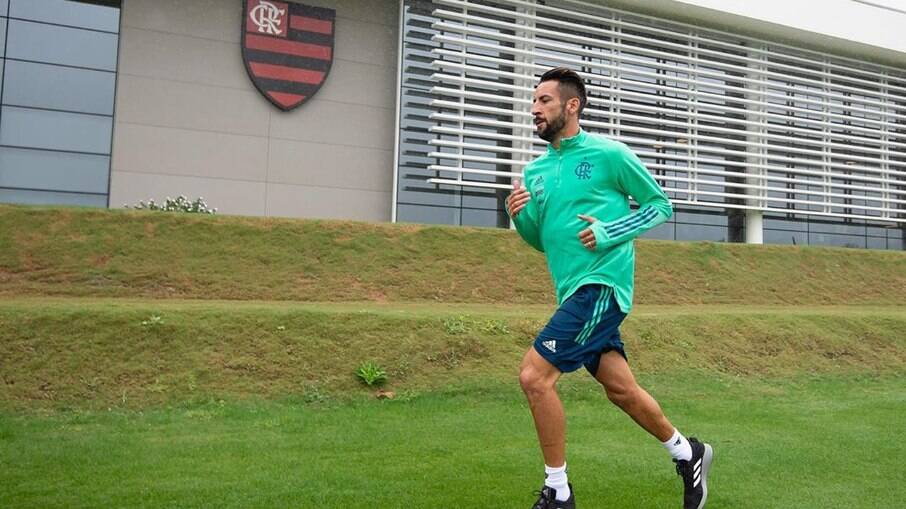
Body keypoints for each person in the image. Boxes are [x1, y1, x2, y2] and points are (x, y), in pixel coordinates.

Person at [507, 67, 713, 509]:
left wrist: (608, 232)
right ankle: (688, 452)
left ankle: (558, 491)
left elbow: (661, 206)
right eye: (534, 101)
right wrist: (521, 217)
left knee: (534, 377)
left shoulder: (610, 154)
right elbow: (544, 241)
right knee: (621, 391)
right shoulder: (536, 170)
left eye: (544, 100)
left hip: (602, 286)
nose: (534, 109)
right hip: (572, 291)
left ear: (572, 105)